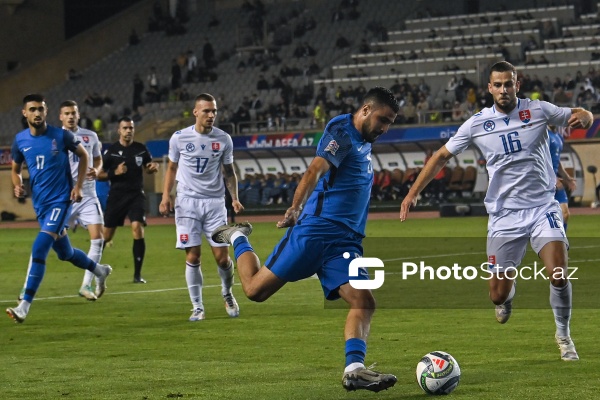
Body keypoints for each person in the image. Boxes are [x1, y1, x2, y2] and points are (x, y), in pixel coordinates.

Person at [400, 61, 594, 361]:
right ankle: (507, 297)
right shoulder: (477, 124)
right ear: (489, 88)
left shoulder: (539, 110)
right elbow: (440, 156)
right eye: (498, 84)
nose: (504, 89)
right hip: (504, 216)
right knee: (497, 294)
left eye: (509, 83)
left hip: (543, 206)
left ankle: (564, 335)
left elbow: (578, 114)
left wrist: (587, 115)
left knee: (558, 272)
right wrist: (413, 193)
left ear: (518, 84)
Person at [211, 87, 400, 392]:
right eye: (382, 119)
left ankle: (354, 369)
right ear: (366, 110)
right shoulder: (342, 132)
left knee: (364, 301)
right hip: (315, 232)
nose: (385, 128)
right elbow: (315, 169)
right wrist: (295, 208)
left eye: (390, 122)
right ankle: (238, 236)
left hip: (345, 243)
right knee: (254, 291)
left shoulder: (363, 140)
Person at [7, 94, 112, 323]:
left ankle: (24, 304)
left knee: (40, 246)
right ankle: (99, 271)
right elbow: (15, 169)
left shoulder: (61, 135)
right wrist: (18, 185)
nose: (37, 113)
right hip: (41, 205)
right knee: (66, 254)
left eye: (40, 109)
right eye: (32, 109)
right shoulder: (20, 140)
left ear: (46, 112)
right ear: (25, 113)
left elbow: (84, 156)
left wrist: (77, 186)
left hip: (61, 201)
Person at [159, 93, 244, 322]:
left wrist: (234, 198)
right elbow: (171, 169)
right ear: (195, 112)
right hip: (186, 203)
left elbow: (229, 172)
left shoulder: (224, 139)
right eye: (206, 110)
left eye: (214, 111)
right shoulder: (179, 138)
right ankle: (197, 306)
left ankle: (227, 293)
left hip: (215, 204)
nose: (211, 115)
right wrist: (166, 196)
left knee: (222, 259)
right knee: (193, 256)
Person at [98, 117, 159, 283]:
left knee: (137, 227)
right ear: (119, 130)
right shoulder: (110, 152)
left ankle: (137, 275)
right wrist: (114, 173)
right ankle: (92, 269)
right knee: (107, 236)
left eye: (131, 128)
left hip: (135, 195)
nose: (128, 131)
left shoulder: (140, 149)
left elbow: (148, 166)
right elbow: (99, 174)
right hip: (116, 196)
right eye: (125, 128)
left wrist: (152, 168)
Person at [62, 100, 106, 300]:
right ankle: (99, 271)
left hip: (88, 195)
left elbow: (98, 159)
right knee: (48, 241)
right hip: (65, 197)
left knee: (98, 239)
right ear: (61, 117)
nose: (71, 116)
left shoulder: (91, 136)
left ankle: (86, 285)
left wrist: (96, 171)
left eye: (74, 113)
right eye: (67, 113)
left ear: (78, 115)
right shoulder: (55, 137)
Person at [548, 125, 576, 233]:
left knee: (565, 213)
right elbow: (539, 160)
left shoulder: (558, 136)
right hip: (544, 181)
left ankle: (561, 241)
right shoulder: (543, 135)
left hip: (556, 180)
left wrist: (567, 178)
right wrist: (552, 178)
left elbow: (557, 161)